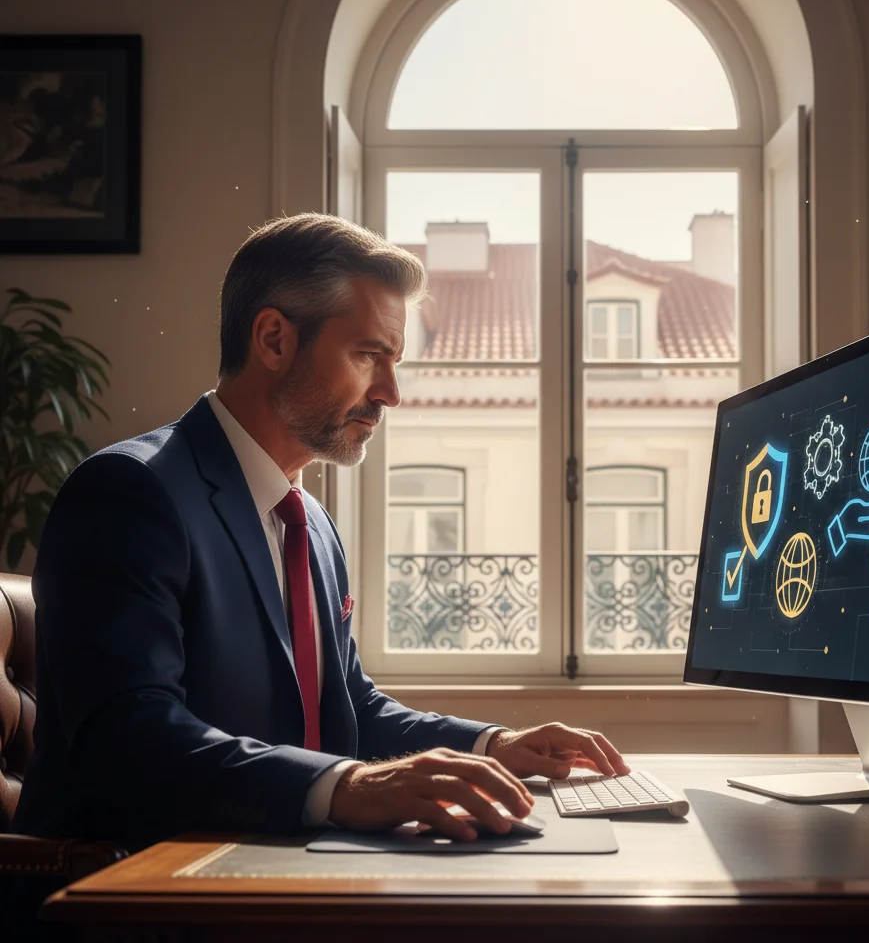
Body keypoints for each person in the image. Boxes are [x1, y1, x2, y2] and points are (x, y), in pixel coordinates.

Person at [13, 213, 628, 853]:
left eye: (395, 362)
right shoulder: (130, 493)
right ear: (274, 340)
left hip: (267, 863)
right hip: (126, 891)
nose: (391, 392)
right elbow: (129, 736)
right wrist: (347, 786)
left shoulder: (310, 523)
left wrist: (493, 745)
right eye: (369, 355)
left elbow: (347, 706)